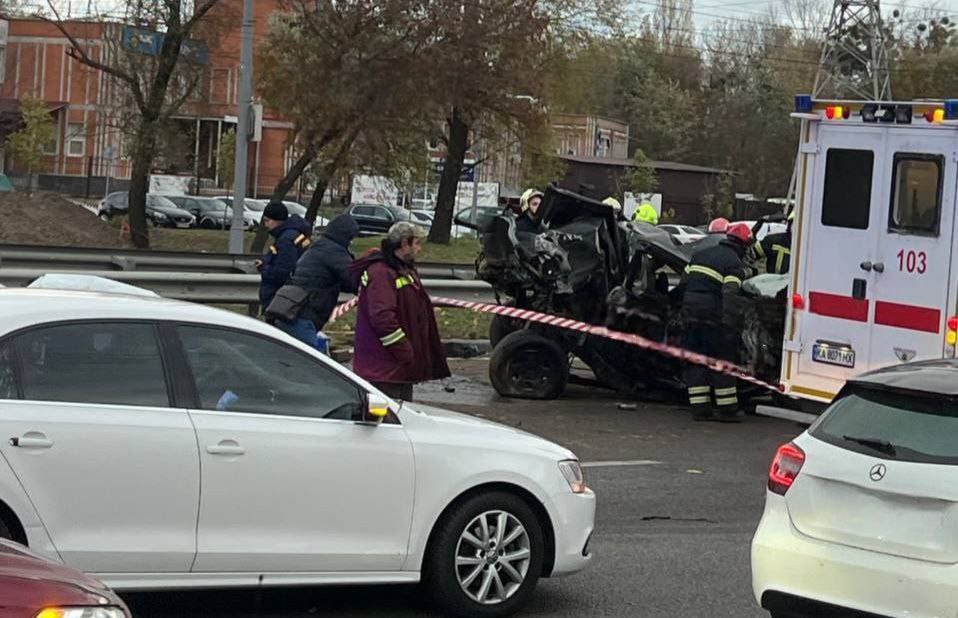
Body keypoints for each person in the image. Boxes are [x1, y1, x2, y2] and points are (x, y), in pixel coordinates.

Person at [349, 222, 450, 401]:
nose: (420, 248)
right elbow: (382, 318)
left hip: (397, 369)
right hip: (384, 370)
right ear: (404, 244)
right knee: (390, 422)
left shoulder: (400, 268)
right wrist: (404, 350)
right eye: (417, 243)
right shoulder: (382, 272)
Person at [680, 222, 753, 422]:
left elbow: (683, 284)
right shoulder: (734, 263)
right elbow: (730, 294)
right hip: (713, 315)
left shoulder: (700, 254)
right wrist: (730, 322)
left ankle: (699, 409)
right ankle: (727, 410)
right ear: (744, 245)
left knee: (696, 358)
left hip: (690, 312)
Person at [274, 214, 361, 345]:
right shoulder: (335, 252)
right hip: (304, 316)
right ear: (345, 236)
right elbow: (354, 279)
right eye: (351, 238)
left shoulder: (319, 246)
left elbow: (335, 280)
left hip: (292, 311)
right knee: (311, 363)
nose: (352, 242)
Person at [257, 202, 313, 310]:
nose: (266, 225)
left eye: (267, 221)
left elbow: (282, 271)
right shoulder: (292, 234)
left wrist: (264, 267)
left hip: (280, 299)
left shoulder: (286, 239)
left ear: (277, 220)